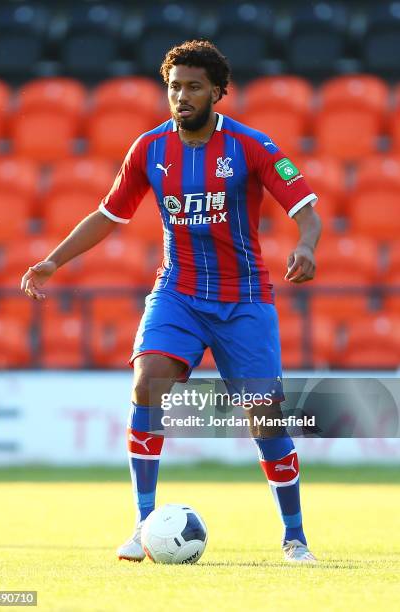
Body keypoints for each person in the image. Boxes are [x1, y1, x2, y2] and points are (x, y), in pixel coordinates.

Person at [21, 40, 321, 563]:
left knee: (265, 415)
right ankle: (142, 524)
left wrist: (305, 244)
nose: (181, 96)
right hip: (177, 292)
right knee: (148, 379)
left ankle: (294, 537)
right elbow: (107, 215)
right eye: (174, 86)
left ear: (218, 93)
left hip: (244, 298)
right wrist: (53, 260)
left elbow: (307, 210)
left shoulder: (253, 146)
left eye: (193, 87)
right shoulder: (149, 149)